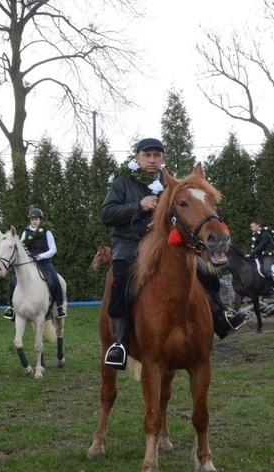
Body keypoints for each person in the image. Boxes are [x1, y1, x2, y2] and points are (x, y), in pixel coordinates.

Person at [101, 137, 246, 370]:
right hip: (128, 243)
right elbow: (106, 214)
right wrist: (139, 206)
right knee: (120, 280)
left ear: (163, 159)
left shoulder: (173, 185)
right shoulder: (122, 182)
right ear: (137, 158)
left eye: (157, 156)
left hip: (162, 241)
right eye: (147, 155)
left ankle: (221, 317)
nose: (152, 160)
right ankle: (119, 342)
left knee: (203, 270)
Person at [3, 207, 66, 320]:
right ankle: (11, 308)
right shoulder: (25, 233)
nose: (34, 221)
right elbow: (20, 248)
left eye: (36, 219)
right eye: (32, 219)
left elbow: (53, 249)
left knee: (55, 280)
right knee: (12, 282)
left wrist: (41, 256)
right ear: (30, 221)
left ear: (41, 220)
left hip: (44, 262)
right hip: (29, 264)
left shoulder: (47, 232)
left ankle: (60, 307)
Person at [247, 220, 274, 284]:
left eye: (252, 226)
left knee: (267, 270)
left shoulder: (265, 234)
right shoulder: (256, 236)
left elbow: (261, 246)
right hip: (260, 256)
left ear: (257, 226)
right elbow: (255, 247)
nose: (251, 228)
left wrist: (251, 254)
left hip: (269, 256)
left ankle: (272, 286)